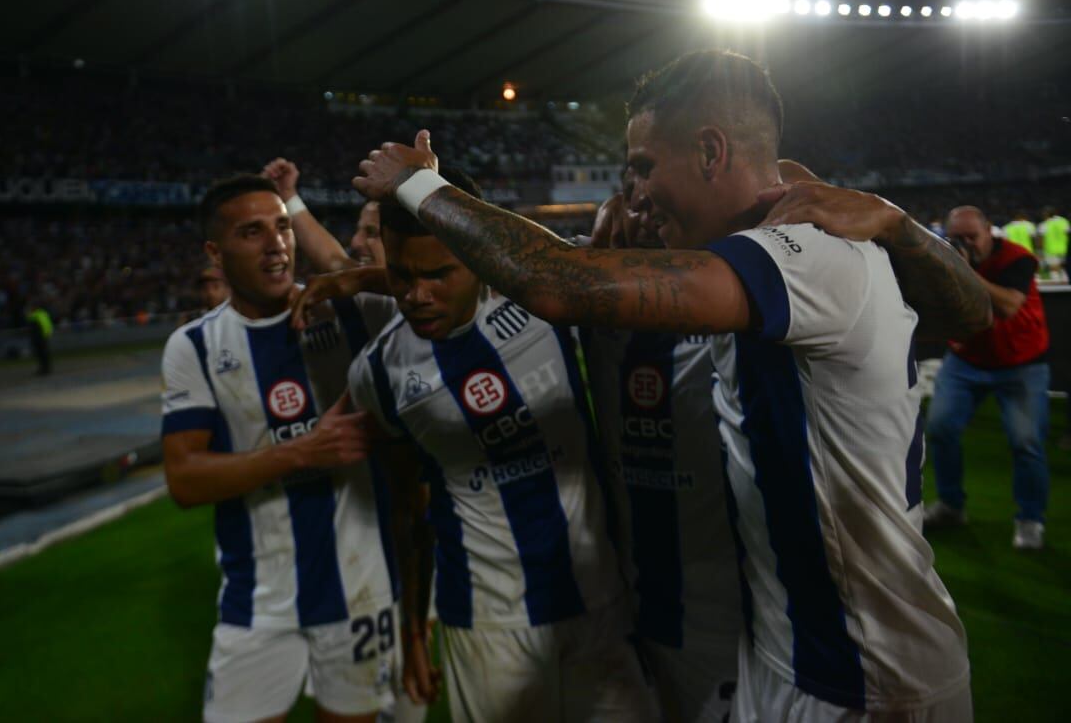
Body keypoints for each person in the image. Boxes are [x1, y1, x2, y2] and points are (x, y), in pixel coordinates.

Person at [353, 50, 992, 721]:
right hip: (782, 659)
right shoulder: (768, 255)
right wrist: (894, 223)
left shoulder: (808, 256)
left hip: (866, 681)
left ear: (712, 151)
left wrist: (420, 187)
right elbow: (968, 311)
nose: (634, 195)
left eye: (643, 168)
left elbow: (565, 284)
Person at [346, 166, 657, 723]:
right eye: (399, 275)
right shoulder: (378, 372)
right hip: (485, 626)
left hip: (600, 604)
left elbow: (650, 229)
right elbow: (408, 511)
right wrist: (415, 628)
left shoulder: (550, 300)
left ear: (479, 254)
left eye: (438, 273)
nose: (416, 295)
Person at [161, 174, 401, 723]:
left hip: (360, 591)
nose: (277, 245)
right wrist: (301, 453)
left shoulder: (346, 311)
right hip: (258, 601)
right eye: (253, 232)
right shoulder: (193, 346)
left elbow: (441, 283)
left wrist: (352, 278)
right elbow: (185, 480)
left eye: (283, 228)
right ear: (215, 255)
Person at [583, 188, 741, 723]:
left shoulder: (734, 288)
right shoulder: (590, 290)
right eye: (633, 203)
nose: (646, 217)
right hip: (629, 597)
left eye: (659, 201)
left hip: (730, 604)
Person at [924, 206, 1051, 549]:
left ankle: (1029, 518)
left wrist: (962, 270)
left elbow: (1009, 306)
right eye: (957, 238)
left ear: (990, 231)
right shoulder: (945, 260)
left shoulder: (1017, 258)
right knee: (940, 428)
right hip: (967, 360)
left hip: (1021, 362)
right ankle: (951, 506)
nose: (966, 244)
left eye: (972, 237)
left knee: (1026, 442)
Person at [263, 157, 385, 271]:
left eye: (372, 233)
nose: (355, 242)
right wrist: (288, 195)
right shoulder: (366, 283)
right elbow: (334, 261)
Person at [1037, 205, 1069, 283]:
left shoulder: (1043, 225)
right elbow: (1068, 233)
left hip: (1050, 249)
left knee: (1053, 269)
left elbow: (1041, 239)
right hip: (1064, 248)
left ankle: (1057, 288)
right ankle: (1066, 283)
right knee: (1063, 267)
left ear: (1046, 214)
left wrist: (1040, 251)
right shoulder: (1064, 221)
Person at [27, 304, 53, 376]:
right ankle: (46, 368)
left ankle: (44, 368)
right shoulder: (43, 314)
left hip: (39, 337)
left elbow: (35, 327)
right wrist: (48, 333)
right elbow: (47, 325)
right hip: (44, 336)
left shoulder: (35, 316)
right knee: (44, 353)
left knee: (41, 354)